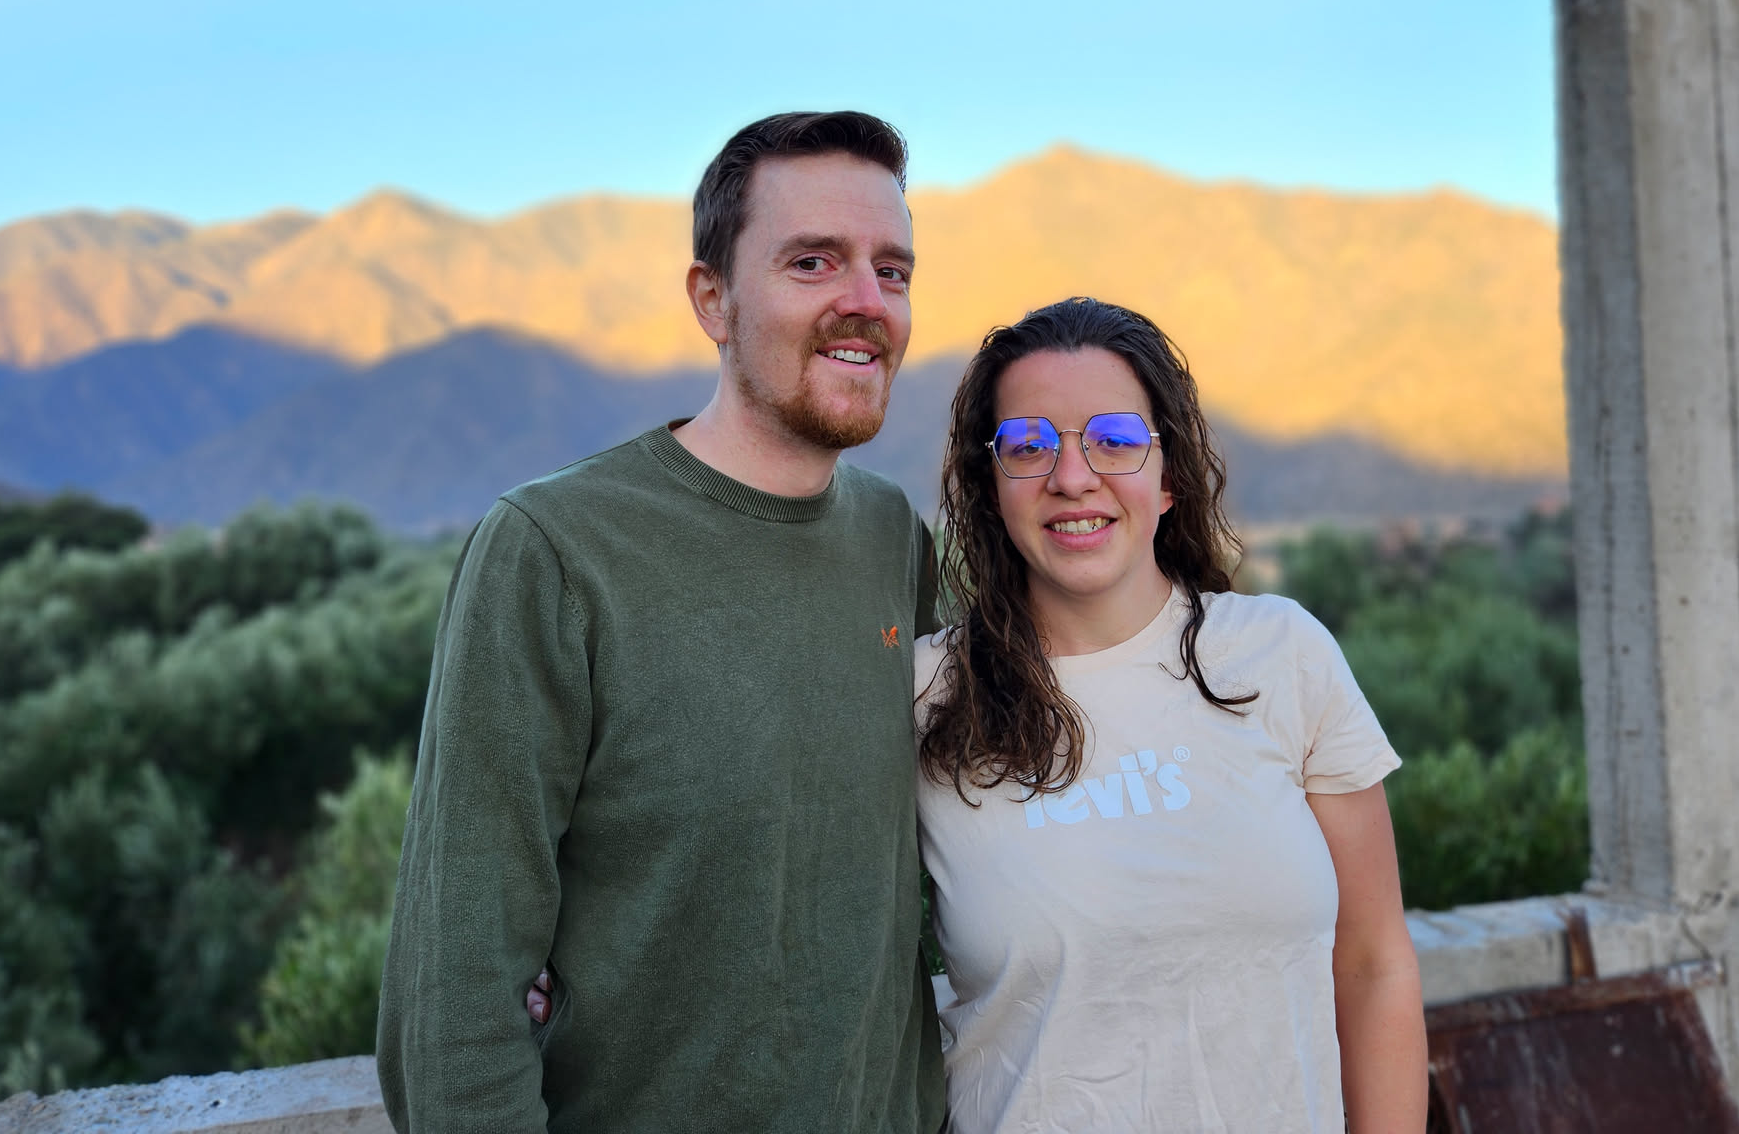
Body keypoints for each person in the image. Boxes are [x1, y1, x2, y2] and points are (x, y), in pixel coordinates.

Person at [377, 111, 946, 1134]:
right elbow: (455, 995)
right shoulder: (554, 551)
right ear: (712, 299)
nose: (866, 302)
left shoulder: (892, 537)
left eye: (892, 270)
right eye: (813, 262)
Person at [914, 296, 1426, 1133]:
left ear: (1169, 476)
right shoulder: (928, 697)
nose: (1072, 476)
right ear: (991, 485)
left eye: (1115, 439)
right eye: (1028, 445)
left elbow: (1374, 966)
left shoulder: (1281, 654)